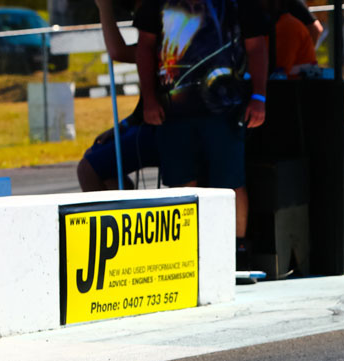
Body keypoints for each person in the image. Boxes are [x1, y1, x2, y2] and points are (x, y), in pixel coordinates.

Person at [133, 0, 269, 268]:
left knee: (230, 183)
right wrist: (148, 98)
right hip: (174, 111)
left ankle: (236, 252)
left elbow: (257, 46)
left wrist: (259, 97)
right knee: (183, 184)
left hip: (225, 108)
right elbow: (145, 47)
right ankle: (188, 255)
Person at [77, 0, 160, 191]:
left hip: (166, 126)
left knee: (88, 169)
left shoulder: (163, 43)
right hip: (148, 123)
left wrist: (104, 8)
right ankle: (128, 205)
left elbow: (118, 51)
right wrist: (123, 125)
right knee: (97, 159)